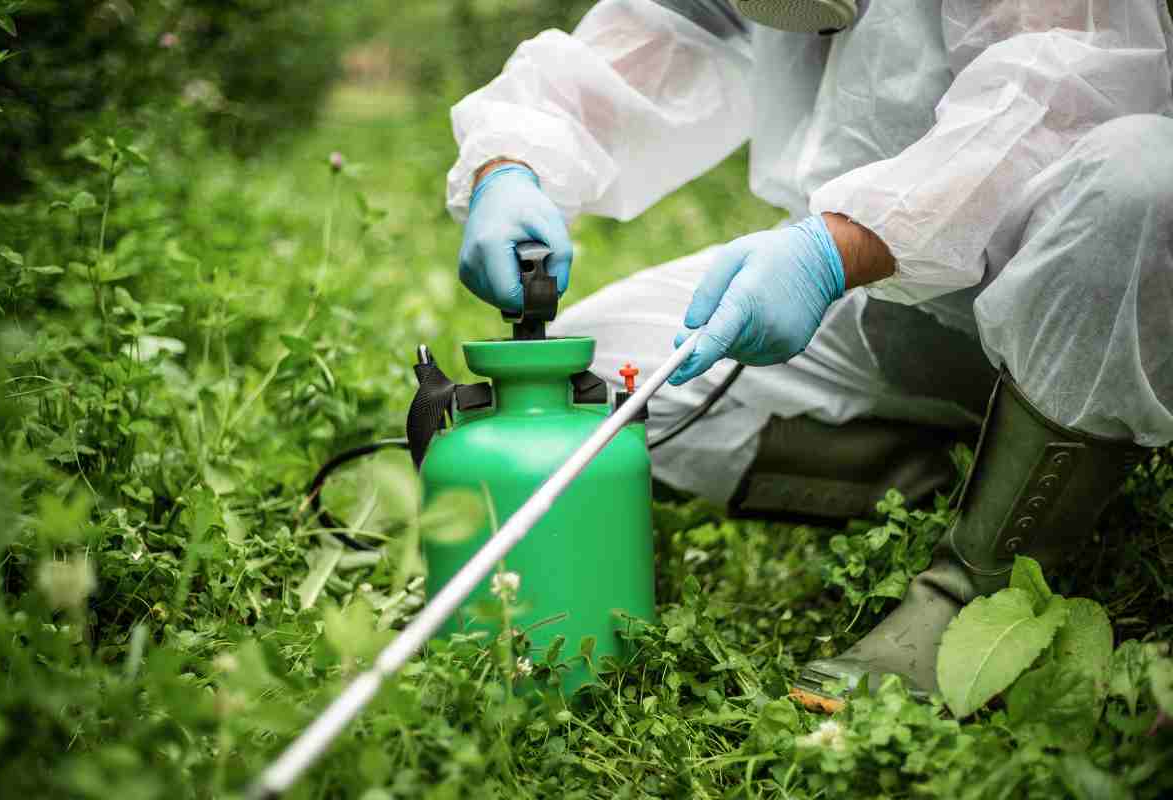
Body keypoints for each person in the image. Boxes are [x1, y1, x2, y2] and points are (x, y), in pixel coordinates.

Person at [445, 0, 1173, 710]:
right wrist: (513, 164)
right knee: (597, 388)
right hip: (883, 301)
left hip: (1081, 296)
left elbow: (1068, 90)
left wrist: (833, 249)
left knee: (1142, 176)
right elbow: (656, 31)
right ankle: (971, 473)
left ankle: (975, 585)